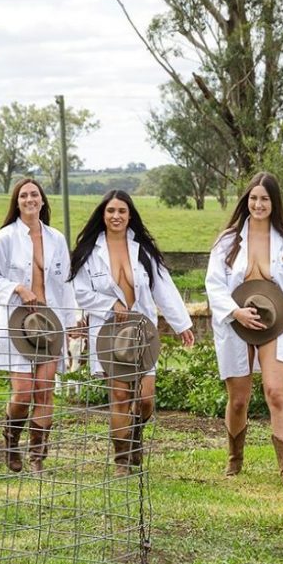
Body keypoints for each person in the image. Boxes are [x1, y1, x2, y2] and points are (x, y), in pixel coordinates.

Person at [69, 189, 195, 475]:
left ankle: (134, 435)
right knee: (121, 395)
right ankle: (122, 460)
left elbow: (164, 287)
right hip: (109, 332)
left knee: (146, 399)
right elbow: (79, 291)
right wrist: (109, 303)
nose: (116, 216)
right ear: (103, 214)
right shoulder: (90, 253)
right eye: (111, 211)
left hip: (141, 330)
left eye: (122, 211)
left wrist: (182, 324)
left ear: (130, 215)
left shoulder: (143, 251)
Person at [205, 171, 283, 484]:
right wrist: (235, 312)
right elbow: (213, 284)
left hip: (275, 321)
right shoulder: (227, 242)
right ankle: (234, 458)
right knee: (238, 398)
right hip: (235, 321)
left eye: (265, 199)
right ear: (246, 201)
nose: (258, 204)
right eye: (253, 198)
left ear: (274, 203)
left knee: (276, 392)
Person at [0, 177, 77, 473]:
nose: (30, 199)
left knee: (44, 391)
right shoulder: (4, 238)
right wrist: (18, 289)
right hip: (17, 323)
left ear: (43, 200)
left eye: (34, 194)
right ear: (17, 202)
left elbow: (66, 282)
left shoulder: (56, 239)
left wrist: (72, 320)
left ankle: (37, 457)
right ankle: (11, 438)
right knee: (23, 392)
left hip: (49, 322)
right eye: (24, 196)